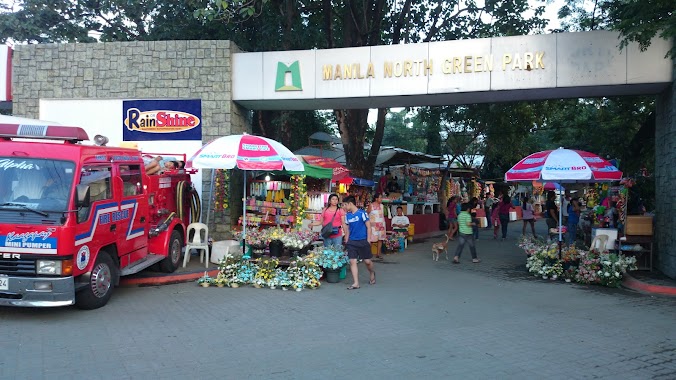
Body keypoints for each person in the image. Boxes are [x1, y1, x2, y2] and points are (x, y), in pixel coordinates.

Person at [342, 195, 376, 290]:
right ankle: (356, 283)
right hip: (352, 242)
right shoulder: (347, 216)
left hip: (363, 241)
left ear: (350, 204)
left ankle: (372, 272)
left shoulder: (362, 213)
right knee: (352, 261)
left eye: (345, 204)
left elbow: (368, 227)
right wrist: (347, 240)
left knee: (367, 261)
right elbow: (347, 229)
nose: (344, 207)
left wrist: (368, 240)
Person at [367, 193, 386, 259]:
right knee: (371, 239)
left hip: (381, 224)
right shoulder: (371, 205)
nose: (381, 199)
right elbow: (367, 214)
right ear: (376, 198)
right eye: (380, 197)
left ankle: (378, 253)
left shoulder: (382, 206)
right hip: (373, 225)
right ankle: (369, 254)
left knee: (380, 239)